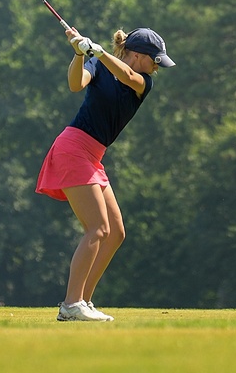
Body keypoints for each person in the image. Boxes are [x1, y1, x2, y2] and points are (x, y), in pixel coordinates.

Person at [36, 25, 175, 322]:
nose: (157, 67)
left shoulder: (143, 82)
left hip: (93, 156)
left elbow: (127, 76)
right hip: (73, 147)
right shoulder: (97, 64)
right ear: (137, 54)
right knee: (98, 228)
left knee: (115, 232)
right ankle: (71, 304)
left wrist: (97, 49)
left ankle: (83, 301)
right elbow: (76, 83)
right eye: (155, 60)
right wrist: (78, 54)